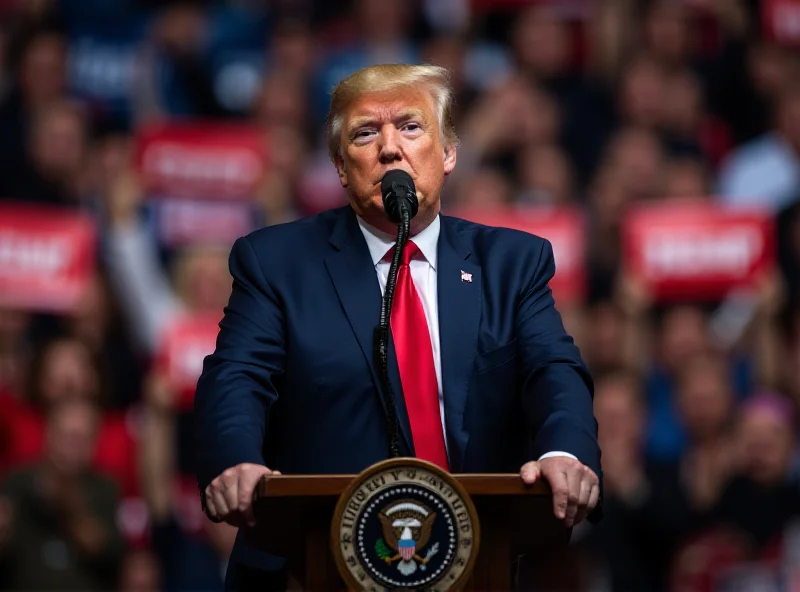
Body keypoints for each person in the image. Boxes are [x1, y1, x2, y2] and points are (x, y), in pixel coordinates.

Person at [194, 64, 602, 589]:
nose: (390, 148)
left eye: (410, 127)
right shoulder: (276, 263)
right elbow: (237, 378)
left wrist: (563, 454)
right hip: (312, 565)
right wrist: (237, 462)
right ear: (341, 167)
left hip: (475, 563)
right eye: (366, 133)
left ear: (449, 152)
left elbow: (555, 370)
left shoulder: (510, 263)